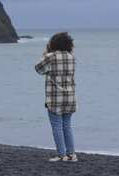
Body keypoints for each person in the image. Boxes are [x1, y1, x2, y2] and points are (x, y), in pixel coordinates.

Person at [34, 32, 78, 162]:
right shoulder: (72, 57)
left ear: (54, 43)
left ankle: (61, 155)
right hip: (70, 97)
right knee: (67, 126)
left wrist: (46, 53)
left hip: (55, 98)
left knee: (57, 126)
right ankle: (71, 154)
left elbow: (38, 69)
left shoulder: (50, 56)